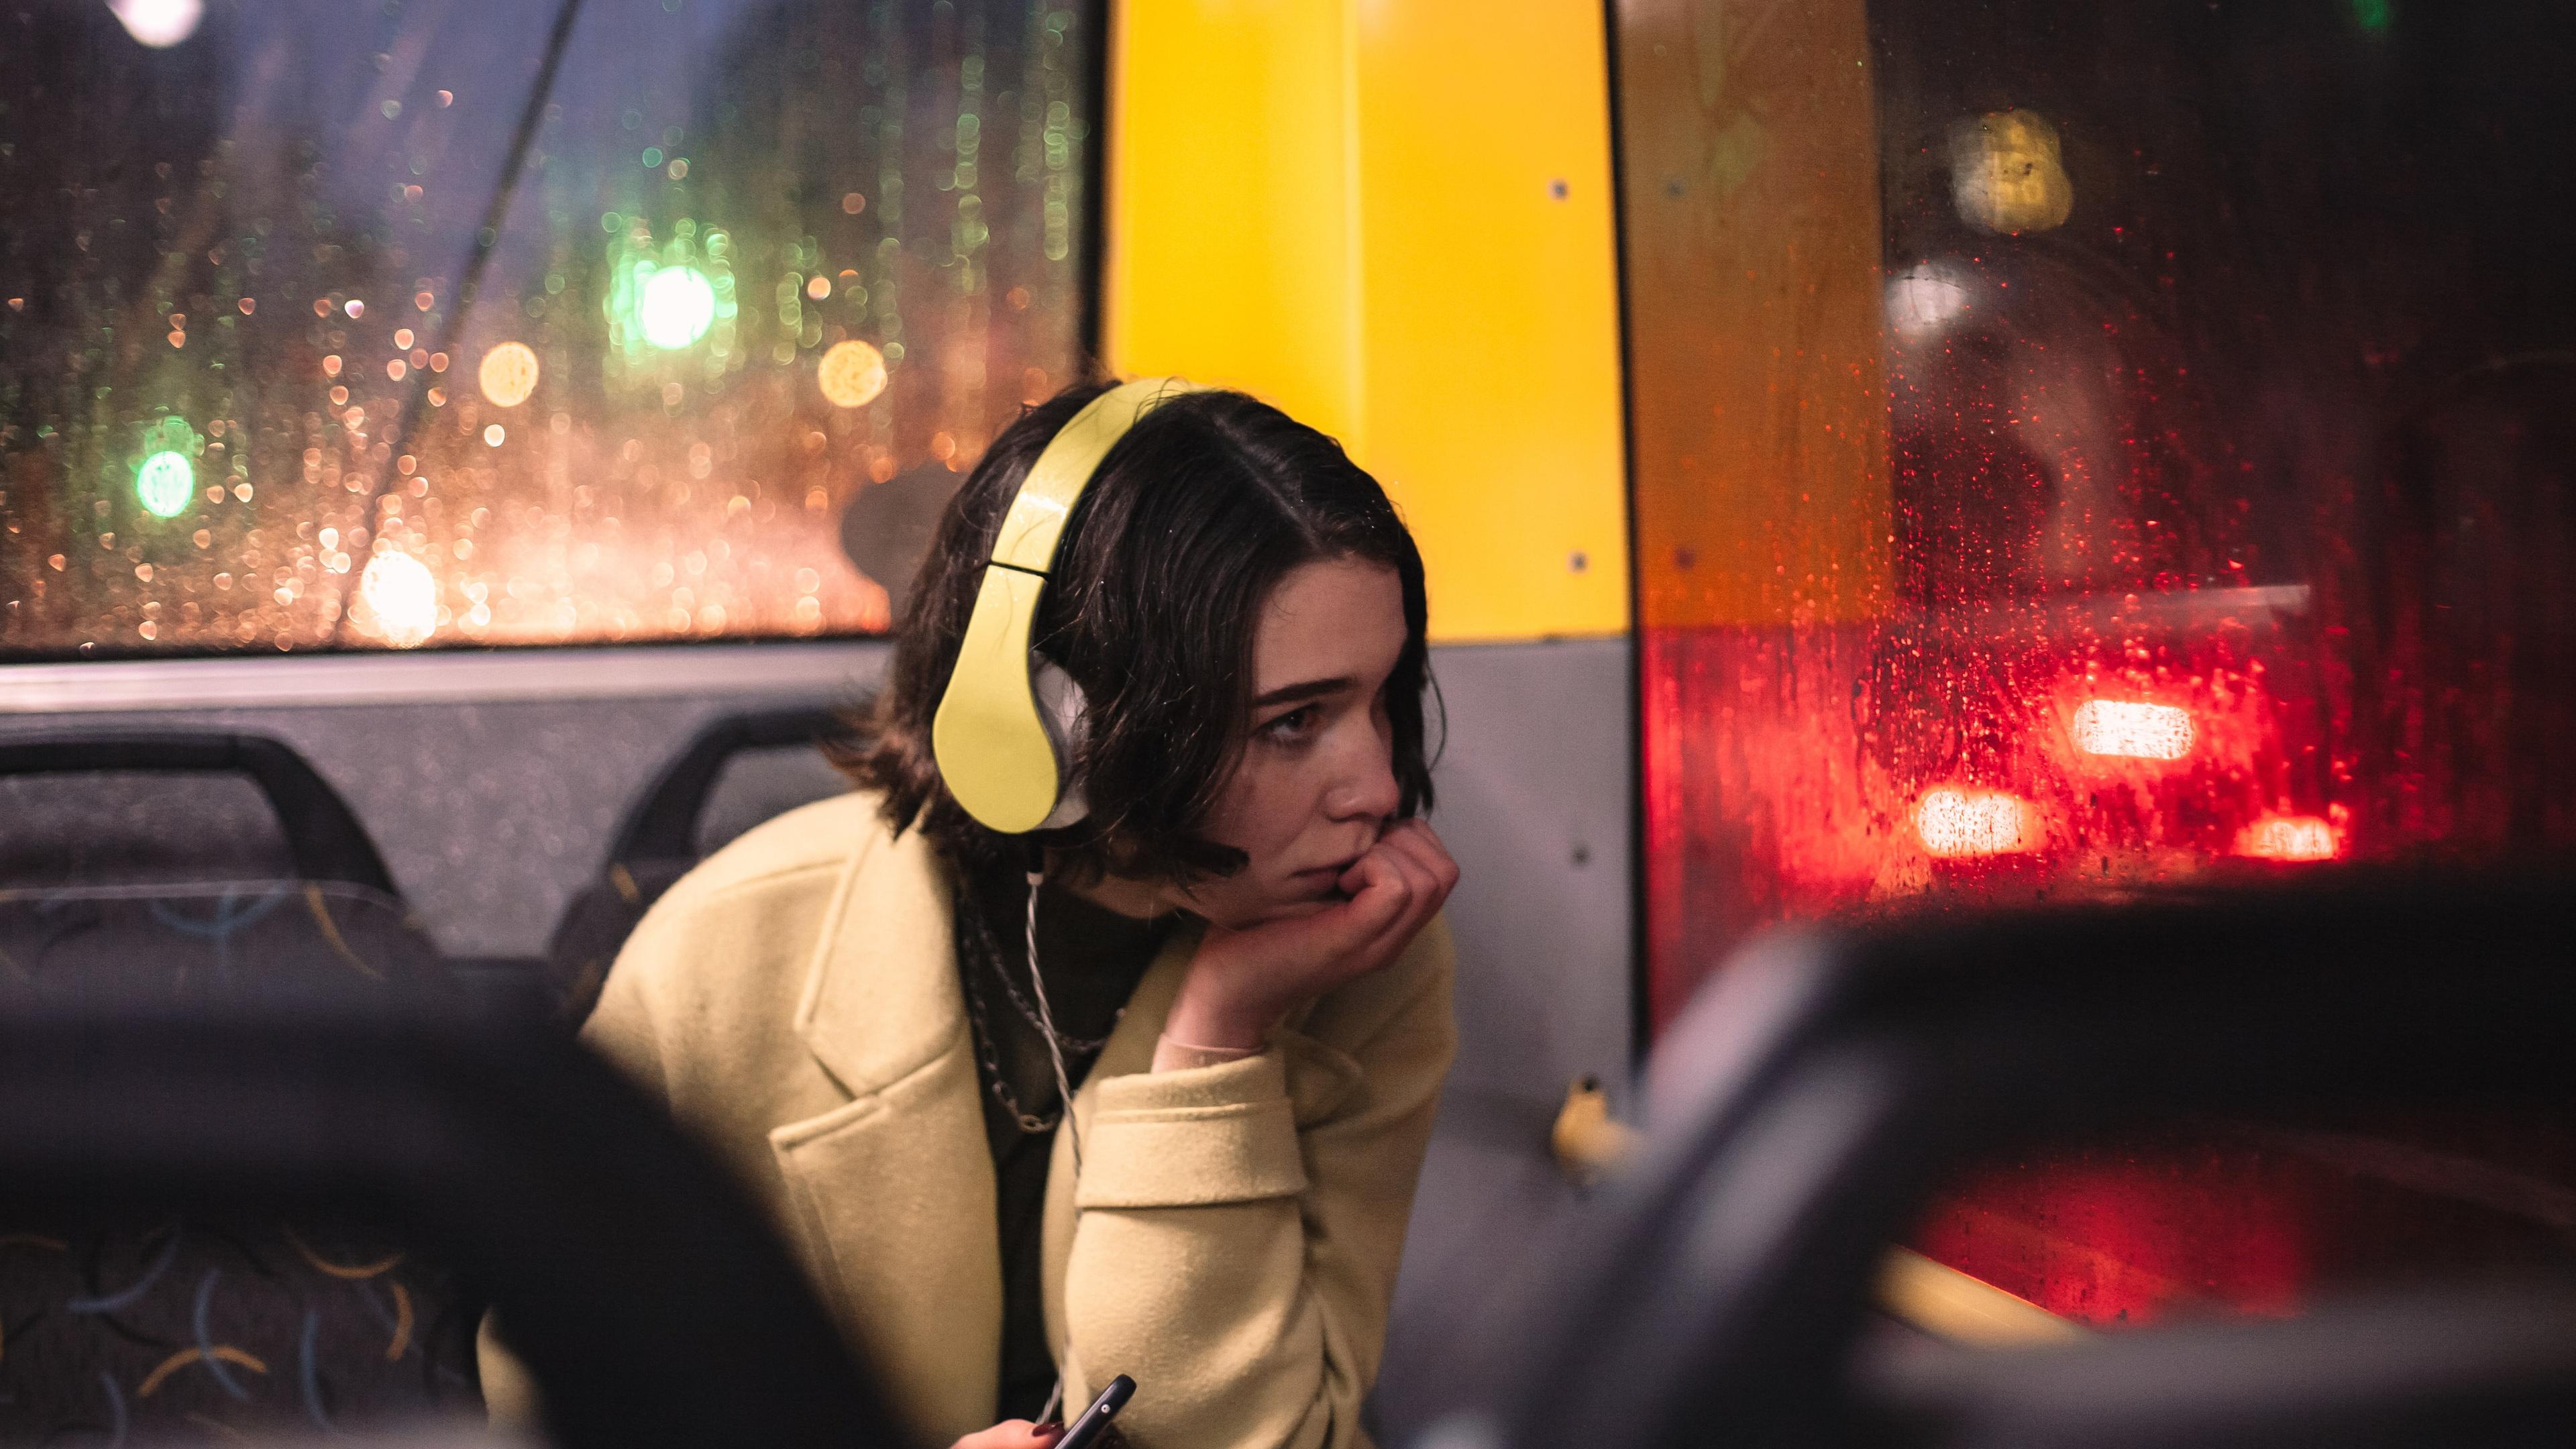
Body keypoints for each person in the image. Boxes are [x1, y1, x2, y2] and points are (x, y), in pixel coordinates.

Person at [479, 381, 1460, 1449]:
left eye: (1380, 698)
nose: (1373, 784)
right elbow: (566, 1418)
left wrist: (1217, 1036)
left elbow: (1267, 1438)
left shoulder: (1365, 956)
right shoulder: (719, 960)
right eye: (1294, 722)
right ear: (1058, 722)